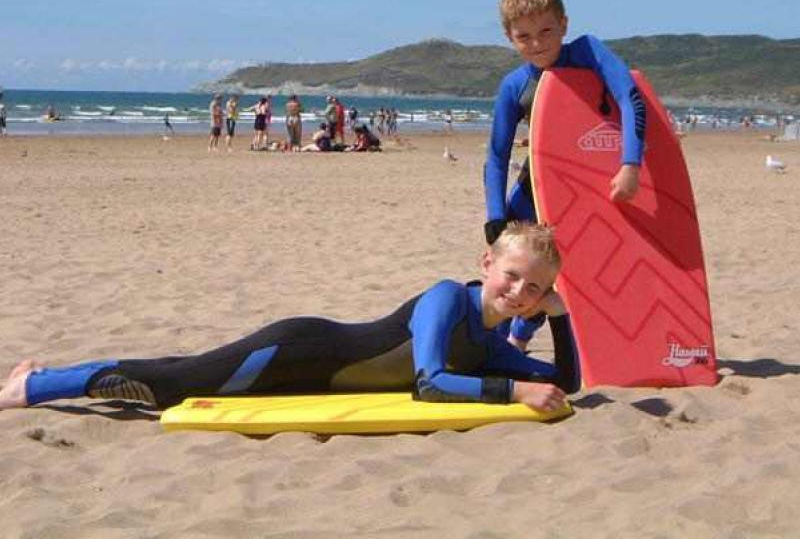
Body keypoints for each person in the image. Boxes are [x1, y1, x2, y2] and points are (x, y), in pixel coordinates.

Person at [0, 223, 579, 413]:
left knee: (183, 373)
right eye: (512, 276)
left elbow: (568, 384)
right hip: (298, 349)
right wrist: (514, 394)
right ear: (487, 263)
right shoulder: (447, 298)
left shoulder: (495, 344)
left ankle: (39, 374)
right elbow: (430, 384)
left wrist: (561, 317)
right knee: (171, 384)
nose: (519, 292)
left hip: (309, 383)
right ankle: (31, 386)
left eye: (535, 289)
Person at [485, 0, 646, 347]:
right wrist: (495, 214)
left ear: (564, 25)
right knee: (523, 271)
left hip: (602, 183)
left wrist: (631, 164)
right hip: (538, 188)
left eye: (546, 31)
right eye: (524, 37)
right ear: (510, 37)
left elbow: (630, 98)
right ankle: (514, 343)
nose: (538, 44)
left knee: (586, 269)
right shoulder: (515, 85)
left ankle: (528, 340)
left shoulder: (589, 53)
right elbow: (497, 154)